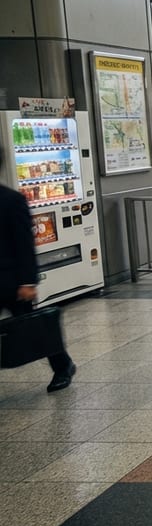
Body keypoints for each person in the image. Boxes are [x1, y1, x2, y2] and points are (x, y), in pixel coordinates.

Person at [0, 168, 77, 393]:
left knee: (34, 328)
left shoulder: (12, 200)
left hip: (12, 282)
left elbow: (24, 245)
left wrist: (27, 282)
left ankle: (63, 365)